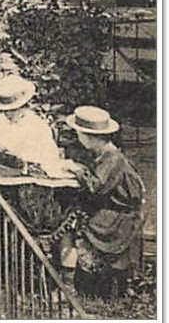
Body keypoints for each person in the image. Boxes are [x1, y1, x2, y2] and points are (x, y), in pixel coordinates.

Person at [56, 105, 144, 295]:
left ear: (89, 137)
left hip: (118, 218)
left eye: (79, 134)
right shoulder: (105, 154)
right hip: (111, 210)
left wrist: (76, 169)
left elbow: (96, 187)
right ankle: (70, 278)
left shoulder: (113, 158)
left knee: (69, 224)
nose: (78, 138)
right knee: (70, 215)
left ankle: (68, 284)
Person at [0, 74, 68, 233]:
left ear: (24, 105)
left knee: (25, 206)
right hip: (2, 176)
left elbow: (49, 156)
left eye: (12, 110)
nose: (8, 114)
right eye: (5, 110)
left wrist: (24, 158)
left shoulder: (37, 125)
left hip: (29, 181)